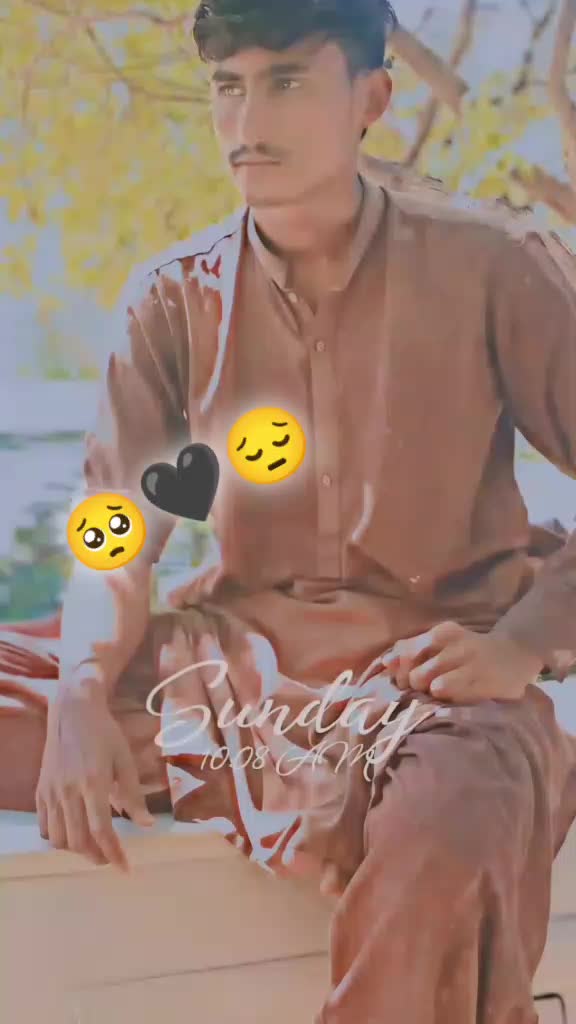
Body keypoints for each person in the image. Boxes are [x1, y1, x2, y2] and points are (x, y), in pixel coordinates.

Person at [31, 0, 576, 1020]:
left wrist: (522, 642)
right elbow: (114, 536)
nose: (248, 120)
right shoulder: (170, 298)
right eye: (228, 87)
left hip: (434, 687)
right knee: (49, 690)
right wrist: (79, 695)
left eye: (285, 81)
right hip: (227, 679)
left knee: (457, 817)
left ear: (372, 98)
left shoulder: (494, 265)